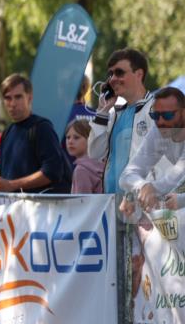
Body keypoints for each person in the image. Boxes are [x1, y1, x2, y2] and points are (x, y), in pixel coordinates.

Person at [0, 74, 71, 193]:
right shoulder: (7, 133)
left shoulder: (42, 127)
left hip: (41, 209)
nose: (12, 103)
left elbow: (52, 171)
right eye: (8, 98)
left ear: (29, 98)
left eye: (18, 97)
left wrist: (11, 184)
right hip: (14, 209)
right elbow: (8, 178)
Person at [89, 48, 154, 193]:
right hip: (113, 203)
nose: (112, 79)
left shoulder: (157, 109)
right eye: (110, 73)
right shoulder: (113, 114)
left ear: (139, 74)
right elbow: (94, 153)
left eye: (119, 72)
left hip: (144, 206)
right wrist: (103, 111)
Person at [119, 87, 185, 213]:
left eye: (168, 115)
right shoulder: (159, 129)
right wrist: (139, 189)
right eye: (155, 115)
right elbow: (126, 175)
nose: (160, 121)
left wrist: (144, 191)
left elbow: (176, 178)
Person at [67, 120, 103, 194]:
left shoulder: (81, 170)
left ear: (90, 139)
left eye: (76, 137)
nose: (70, 141)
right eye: (68, 137)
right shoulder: (103, 164)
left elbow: (81, 203)